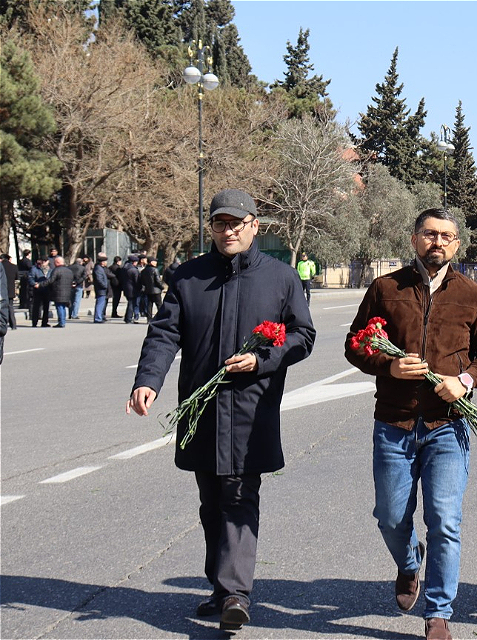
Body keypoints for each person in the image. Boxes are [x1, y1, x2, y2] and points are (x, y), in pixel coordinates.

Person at [127, 188, 315, 633]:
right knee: (211, 502)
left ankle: (236, 593)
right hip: (201, 409)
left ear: (254, 225)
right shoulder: (188, 277)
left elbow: (302, 336)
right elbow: (163, 333)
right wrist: (147, 381)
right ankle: (220, 587)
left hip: (251, 410)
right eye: (219, 223)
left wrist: (262, 358)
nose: (228, 230)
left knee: (238, 495)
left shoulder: (281, 278)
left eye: (236, 223)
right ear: (210, 227)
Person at [344, 208, 477, 640]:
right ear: (414, 239)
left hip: (448, 426)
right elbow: (355, 344)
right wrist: (388, 367)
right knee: (390, 516)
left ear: (457, 244)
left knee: (445, 521)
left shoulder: (472, 294)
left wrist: (465, 381)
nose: (438, 242)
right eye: (430, 234)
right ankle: (409, 562)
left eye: (447, 236)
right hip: (394, 424)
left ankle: (438, 611)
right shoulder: (386, 288)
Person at [47, 256, 74, 328]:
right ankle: (63, 321)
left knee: (59, 307)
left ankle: (61, 322)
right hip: (67, 291)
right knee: (63, 307)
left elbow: (51, 280)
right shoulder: (69, 271)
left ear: (57, 262)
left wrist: (41, 284)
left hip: (58, 291)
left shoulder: (56, 270)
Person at [27, 257, 50, 327]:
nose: (44, 263)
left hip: (47, 290)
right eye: (43, 261)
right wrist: (34, 284)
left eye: (45, 261)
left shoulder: (50, 270)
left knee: (46, 307)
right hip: (37, 290)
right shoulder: (35, 269)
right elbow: (30, 278)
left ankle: (44, 322)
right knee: (36, 307)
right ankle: (34, 322)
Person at [139, 256, 164, 320]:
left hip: (148, 290)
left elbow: (142, 281)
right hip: (156, 290)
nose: (156, 263)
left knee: (149, 305)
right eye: (154, 261)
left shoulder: (144, 271)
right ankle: (161, 318)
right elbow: (158, 281)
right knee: (159, 305)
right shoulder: (155, 270)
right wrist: (162, 287)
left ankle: (149, 318)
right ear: (151, 262)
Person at [121, 255, 140, 323]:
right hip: (133, 289)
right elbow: (136, 281)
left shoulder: (124, 268)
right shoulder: (134, 270)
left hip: (126, 288)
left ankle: (127, 317)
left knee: (130, 303)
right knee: (131, 304)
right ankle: (128, 318)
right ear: (134, 262)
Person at [1, 254, 17, 331]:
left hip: (2, 290)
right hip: (11, 289)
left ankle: (3, 323)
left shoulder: (1, 266)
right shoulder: (14, 266)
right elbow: (17, 277)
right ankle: (13, 324)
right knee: (10, 307)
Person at [92, 254, 110, 323]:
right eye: (105, 261)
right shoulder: (98, 269)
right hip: (101, 289)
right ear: (102, 262)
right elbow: (99, 279)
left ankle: (99, 317)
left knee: (101, 303)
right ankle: (98, 318)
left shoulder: (101, 268)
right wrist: (104, 286)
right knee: (100, 303)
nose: (106, 263)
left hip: (102, 289)